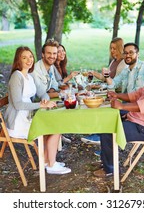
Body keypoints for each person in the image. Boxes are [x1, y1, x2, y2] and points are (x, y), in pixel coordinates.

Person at [94, 50, 144, 177]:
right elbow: (137, 94)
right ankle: (106, 160)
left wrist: (121, 106)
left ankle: (110, 170)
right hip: (138, 118)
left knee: (108, 131)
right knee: (107, 116)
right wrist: (117, 95)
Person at [4, 46, 71, 175]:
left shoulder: (28, 76)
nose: (29, 60)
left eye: (30, 56)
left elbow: (42, 93)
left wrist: (45, 100)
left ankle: (47, 161)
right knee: (55, 127)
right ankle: (51, 165)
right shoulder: (16, 77)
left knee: (53, 124)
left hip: (28, 115)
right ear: (18, 60)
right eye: (24, 57)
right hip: (18, 121)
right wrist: (40, 105)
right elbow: (18, 105)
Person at [81, 37, 127, 145]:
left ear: (120, 49)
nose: (112, 51)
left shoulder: (123, 63)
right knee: (92, 101)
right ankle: (97, 133)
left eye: (115, 48)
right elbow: (106, 78)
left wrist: (104, 83)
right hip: (110, 91)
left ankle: (99, 136)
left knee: (99, 105)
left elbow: (115, 83)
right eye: (111, 48)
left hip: (118, 95)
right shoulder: (114, 62)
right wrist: (94, 73)